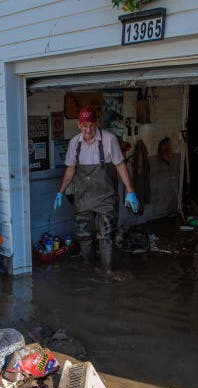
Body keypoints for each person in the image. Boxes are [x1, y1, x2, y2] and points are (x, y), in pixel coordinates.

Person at [54, 106, 139, 274]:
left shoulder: (109, 139)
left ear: (96, 123)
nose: (88, 129)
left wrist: (130, 191)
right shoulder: (74, 143)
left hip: (105, 197)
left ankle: (108, 272)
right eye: (84, 125)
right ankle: (89, 271)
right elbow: (71, 169)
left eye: (91, 125)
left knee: (106, 235)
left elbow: (120, 165)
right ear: (79, 125)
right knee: (84, 235)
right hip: (83, 198)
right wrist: (61, 191)